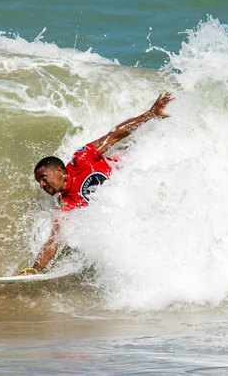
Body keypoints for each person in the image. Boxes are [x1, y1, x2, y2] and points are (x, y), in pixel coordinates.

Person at [18, 92, 174, 275]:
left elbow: (114, 136)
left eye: (43, 177)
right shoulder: (66, 205)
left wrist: (150, 114)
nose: (41, 185)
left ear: (59, 170)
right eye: (38, 182)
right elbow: (54, 240)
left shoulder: (81, 159)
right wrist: (36, 269)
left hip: (133, 163)